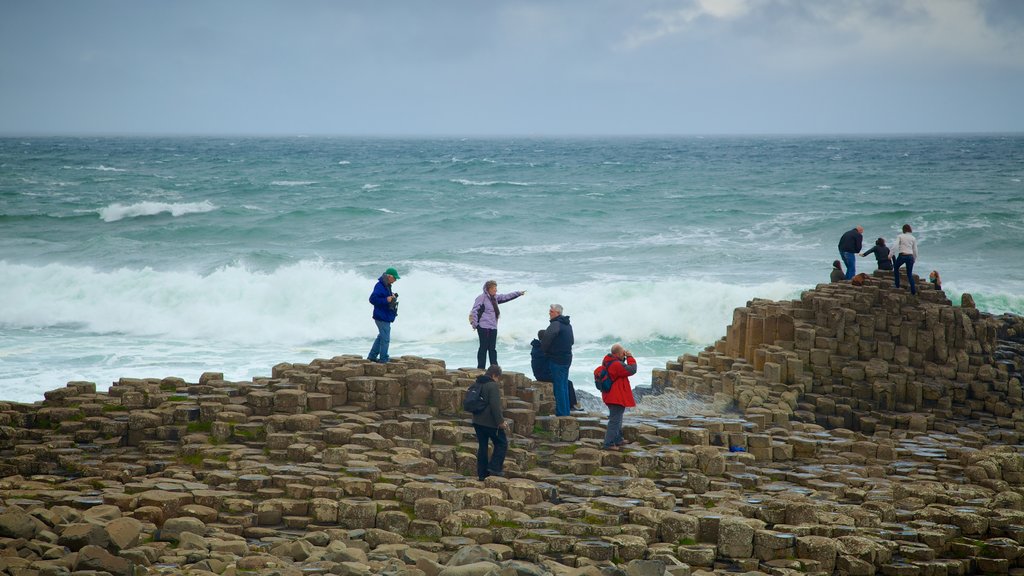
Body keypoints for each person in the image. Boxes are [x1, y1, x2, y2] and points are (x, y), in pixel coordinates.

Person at [468, 280, 525, 370]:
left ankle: (494, 368)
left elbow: (506, 297)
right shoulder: (481, 298)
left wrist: (518, 293)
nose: (496, 290)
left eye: (496, 288)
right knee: (483, 347)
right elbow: (474, 311)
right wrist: (475, 324)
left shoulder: (495, 298)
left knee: (492, 348)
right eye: (494, 288)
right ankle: (481, 368)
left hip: (493, 326)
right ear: (488, 289)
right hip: (483, 327)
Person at [471, 364, 507, 481]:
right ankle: (494, 468)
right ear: (494, 375)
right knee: (502, 443)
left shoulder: (477, 383)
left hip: (477, 421)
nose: (498, 380)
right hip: (489, 422)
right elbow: (495, 406)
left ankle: (482, 474)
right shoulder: (492, 385)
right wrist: (500, 422)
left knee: (483, 446)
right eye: (498, 377)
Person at [531, 329, 581, 411]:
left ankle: (570, 405)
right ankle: (572, 405)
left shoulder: (537, 347)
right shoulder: (543, 349)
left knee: (564, 381)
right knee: (567, 383)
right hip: (543, 374)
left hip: (540, 373)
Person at [601, 343, 637, 451]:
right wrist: (630, 357)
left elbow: (622, 367)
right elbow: (632, 370)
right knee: (614, 420)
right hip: (615, 397)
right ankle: (608, 444)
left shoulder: (610, 361)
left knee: (618, 418)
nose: (624, 355)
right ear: (618, 353)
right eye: (622, 353)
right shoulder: (615, 364)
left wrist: (624, 358)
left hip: (613, 395)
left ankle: (618, 439)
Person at [541, 304, 574, 417]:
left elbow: (546, 340)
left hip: (557, 359)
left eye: (551, 311)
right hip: (567, 358)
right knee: (563, 385)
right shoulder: (568, 325)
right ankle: (566, 412)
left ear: (558, 313)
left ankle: (561, 413)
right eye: (549, 311)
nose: (549, 313)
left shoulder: (555, 324)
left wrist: (545, 351)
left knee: (559, 387)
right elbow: (572, 341)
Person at [367, 267, 400, 363]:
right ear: (389, 276)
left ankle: (372, 356)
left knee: (381, 337)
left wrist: (391, 296)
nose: (395, 280)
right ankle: (383, 359)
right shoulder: (380, 285)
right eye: (395, 278)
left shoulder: (386, 285)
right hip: (381, 316)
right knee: (385, 338)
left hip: (385, 315)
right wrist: (387, 299)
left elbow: (383, 296)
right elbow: (372, 299)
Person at [892, 224, 919, 295]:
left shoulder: (900, 236)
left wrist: (890, 254)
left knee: (896, 268)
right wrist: (914, 258)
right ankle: (913, 291)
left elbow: (895, 246)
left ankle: (897, 285)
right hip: (910, 256)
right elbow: (915, 250)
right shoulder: (913, 238)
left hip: (902, 255)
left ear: (903, 229)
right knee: (909, 274)